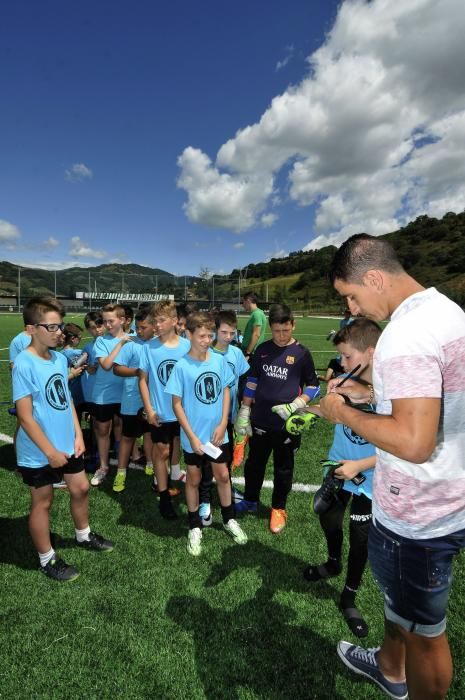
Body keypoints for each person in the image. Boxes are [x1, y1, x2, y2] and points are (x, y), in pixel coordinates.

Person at [320, 233, 465, 700]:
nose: (354, 308)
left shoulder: (404, 333)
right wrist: (371, 397)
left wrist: (343, 413)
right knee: (402, 608)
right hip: (450, 495)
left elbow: (415, 442)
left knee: (426, 633)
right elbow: (432, 403)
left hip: (419, 514)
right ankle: (388, 667)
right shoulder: (446, 311)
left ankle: (406, 678)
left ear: (375, 278)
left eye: (351, 295)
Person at [12, 296, 113, 581]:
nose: (60, 333)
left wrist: (78, 434)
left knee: (80, 488)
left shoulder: (58, 359)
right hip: (38, 450)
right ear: (32, 328)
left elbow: (65, 399)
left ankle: (83, 535)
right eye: (52, 327)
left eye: (60, 327)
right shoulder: (24, 363)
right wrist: (49, 452)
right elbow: (25, 416)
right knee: (42, 501)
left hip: (68, 443)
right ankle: (47, 558)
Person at [302, 318, 381, 638]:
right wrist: (303, 412)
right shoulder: (344, 380)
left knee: (360, 537)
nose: (342, 363)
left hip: (370, 473)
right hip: (337, 467)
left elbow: (404, 446)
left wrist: (360, 464)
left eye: (348, 357)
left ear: (372, 352)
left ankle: (349, 594)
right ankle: (333, 562)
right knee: (328, 517)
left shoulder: (394, 391)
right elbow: (329, 409)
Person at [165, 311, 247, 556]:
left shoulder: (218, 360)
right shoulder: (181, 366)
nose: (206, 340)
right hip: (194, 436)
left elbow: (225, 392)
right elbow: (177, 404)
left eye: (210, 335)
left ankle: (229, 518)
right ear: (188, 334)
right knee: (193, 478)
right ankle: (194, 525)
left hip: (217, 434)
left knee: (222, 475)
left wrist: (223, 422)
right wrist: (190, 436)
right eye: (201, 335)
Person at [234, 303, 319, 534]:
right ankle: (250, 500)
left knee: (283, 469)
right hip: (260, 420)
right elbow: (252, 381)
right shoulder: (262, 349)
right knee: (254, 465)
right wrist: (244, 410)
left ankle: (278, 508)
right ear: (271, 328)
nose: (281, 336)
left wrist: (297, 404)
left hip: (286, 425)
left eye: (286, 330)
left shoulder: (302, 353)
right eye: (277, 331)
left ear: (293, 325)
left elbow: (313, 385)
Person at [138, 300, 190, 519]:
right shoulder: (148, 348)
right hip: (160, 412)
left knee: (180, 448)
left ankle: (190, 488)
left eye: (161, 320)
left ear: (174, 321)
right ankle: (163, 495)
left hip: (185, 413)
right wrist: (149, 409)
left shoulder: (187, 346)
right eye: (154, 321)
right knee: (163, 452)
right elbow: (143, 380)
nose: (156, 325)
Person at [198, 310, 250, 526]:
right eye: (224, 332)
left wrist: (243, 411)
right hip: (206, 420)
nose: (228, 337)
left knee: (223, 460)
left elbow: (243, 383)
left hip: (227, 418)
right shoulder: (204, 353)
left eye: (232, 332)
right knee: (205, 462)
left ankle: (225, 490)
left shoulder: (236, 354)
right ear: (214, 331)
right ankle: (205, 500)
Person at [112, 309, 156, 493]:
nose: (139, 331)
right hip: (131, 399)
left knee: (151, 435)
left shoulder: (159, 345)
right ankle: (121, 472)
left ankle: (152, 464)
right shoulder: (130, 344)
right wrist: (137, 372)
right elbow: (116, 369)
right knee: (128, 437)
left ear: (154, 326)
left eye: (143, 327)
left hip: (153, 401)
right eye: (137, 327)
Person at [90, 303, 131, 487]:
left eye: (111, 321)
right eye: (105, 321)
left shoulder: (134, 339)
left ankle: (123, 466)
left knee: (124, 429)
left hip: (126, 393)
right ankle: (104, 466)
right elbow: (106, 365)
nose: (107, 325)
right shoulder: (101, 341)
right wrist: (121, 343)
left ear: (122, 320)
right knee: (103, 430)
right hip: (103, 394)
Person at [240, 291, 267, 359]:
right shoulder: (257, 313)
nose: (242, 305)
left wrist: (248, 353)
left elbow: (256, 334)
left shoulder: (256, 314)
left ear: (248, 301)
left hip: (251, 353)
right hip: (250, 351)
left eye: (243, 302)